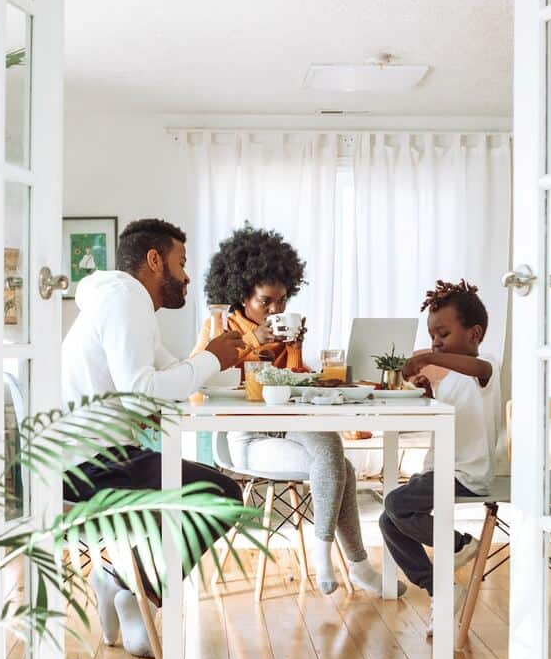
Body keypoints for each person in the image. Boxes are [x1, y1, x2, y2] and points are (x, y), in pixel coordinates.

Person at [61, 218, 246, 658]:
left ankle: (121, 582)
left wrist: (214, 359)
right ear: (154, 259)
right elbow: (143, 392)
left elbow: (169, 375)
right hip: (84, 466)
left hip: (95, 454)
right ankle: (130, 588)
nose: (185, 277)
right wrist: (210, 359)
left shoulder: (124, 303)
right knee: (222, 494)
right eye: (181, 263)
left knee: (210, 487)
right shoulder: (126, 301)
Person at [192, 226, 389, 596]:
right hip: (246, 436)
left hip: (287, 425)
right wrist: (252, 340)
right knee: (340, 466)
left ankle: (329, 557)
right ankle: (349, 563)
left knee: (331, 447)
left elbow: (289, 383)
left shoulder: (283, 327)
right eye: (266, 301)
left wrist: (295, 349)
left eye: (282, 301)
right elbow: (198, 380)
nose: (275, 310)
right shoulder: (219, 327)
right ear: (241, 294)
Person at [378, 279, 506, 634]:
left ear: (475, 334)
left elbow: (478, 372)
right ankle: (442, 589)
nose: (435, 342)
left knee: (397, 505)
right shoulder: (448, 379)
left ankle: (460, 545)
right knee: (389, 520)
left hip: (466, 473)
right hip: (437, 470)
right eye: (432, 335)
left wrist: (431, 358)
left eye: (443, 334)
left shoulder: (486, 368)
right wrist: (426, 389)